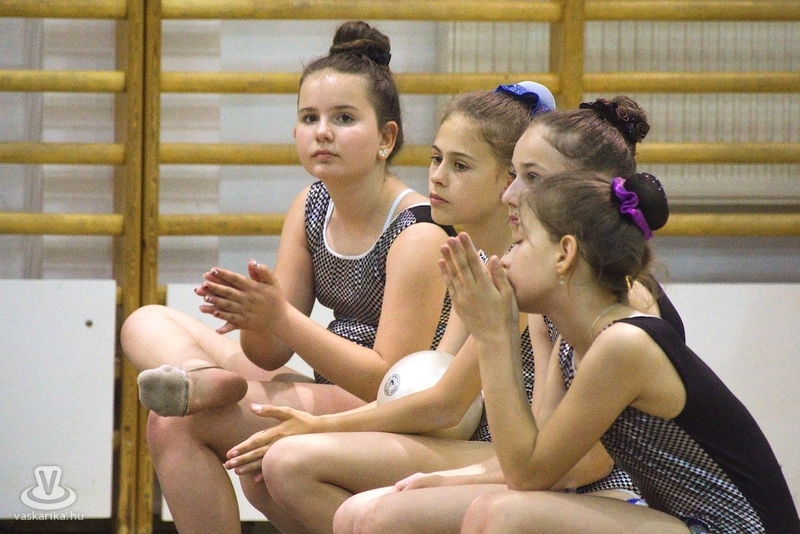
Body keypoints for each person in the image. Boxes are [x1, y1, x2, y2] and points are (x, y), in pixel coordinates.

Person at [251, 97, 687, 534]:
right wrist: (323, 426)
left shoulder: (607, 300)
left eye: (530, 178)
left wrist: (324, 422)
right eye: (436, 159)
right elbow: (447, 397)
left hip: (601, 489)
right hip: (524, 464)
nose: (511, 193)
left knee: (351, 499)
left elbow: (577, 462)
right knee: (289, 475)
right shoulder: (514, 273)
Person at [119, 20, 455, 533]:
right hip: (328, 385)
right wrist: (255, 316)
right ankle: (200, 374)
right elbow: (269, 354)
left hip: (384, 409)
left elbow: (389, 382)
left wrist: (280, 318)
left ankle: (205, 388)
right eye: (309, 117)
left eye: (344, 118)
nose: (323, 131)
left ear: (386, 138)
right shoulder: (311, 205)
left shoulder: (417, 232)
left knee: (172, 424)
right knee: (144, 320)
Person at [437, 171, 800, 533]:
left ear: (565, 253)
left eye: (518, 243)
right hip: (686, 521)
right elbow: (535, 463)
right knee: (491, 511)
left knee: (501, 514)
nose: (503, 261)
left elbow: (526, 474)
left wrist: (493, 336)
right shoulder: (574, 343)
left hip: (736, 528)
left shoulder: (623, 344)